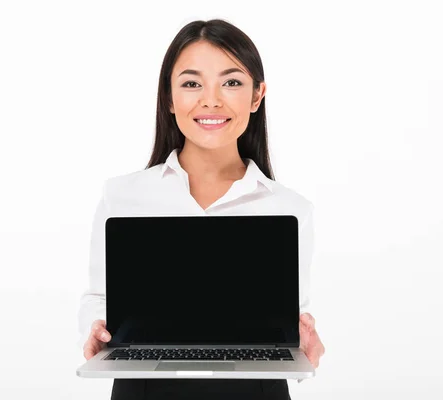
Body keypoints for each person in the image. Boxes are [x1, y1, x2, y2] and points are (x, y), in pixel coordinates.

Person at [78, 18, 325, 400]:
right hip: (144, 387)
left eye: (231, 82)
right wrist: (94, 329)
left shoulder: (291, 208)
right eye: (192, 83)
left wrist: (303, 340)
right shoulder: (122, 195)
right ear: (169, 98)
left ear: (257, 96)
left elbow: (294, 313)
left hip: (254, 390)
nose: (211, 100)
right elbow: (99, 297)